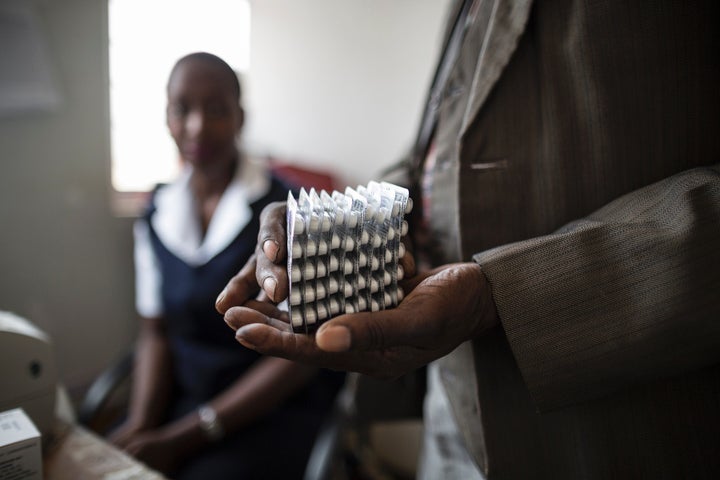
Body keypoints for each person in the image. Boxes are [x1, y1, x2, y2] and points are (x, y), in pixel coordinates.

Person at [215, 1, 720, 479]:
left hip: (613, 423)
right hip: (450, 398)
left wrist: (500, 293)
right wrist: (352, 224)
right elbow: (434, 153)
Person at [109, 52, 344, 479]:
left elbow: (300, 356)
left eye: (215, 109)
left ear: (239, 117)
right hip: (185, 401)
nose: (197, 126)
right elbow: (156, 332)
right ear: (167, 118)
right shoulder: (156, 213)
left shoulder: (290, 211)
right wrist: (142, 423)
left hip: (269, 412)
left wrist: (181, 439)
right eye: (183, 109)